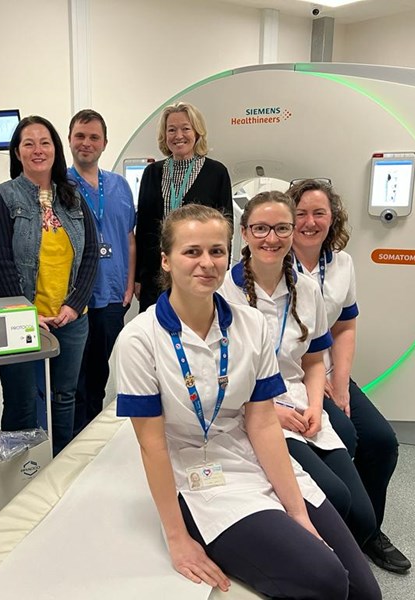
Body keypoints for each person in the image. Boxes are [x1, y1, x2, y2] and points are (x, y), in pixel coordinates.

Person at [116, 204, 381, 599]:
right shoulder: (140, 340)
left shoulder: (251, 325)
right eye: (192, 252)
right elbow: (152, 443)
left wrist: (297, 512)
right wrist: (177, 538)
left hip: (253, 455)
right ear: (166, 260)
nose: (207, 263)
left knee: (365, 593)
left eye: (217, 251)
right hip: (195, 475)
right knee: (327, 580)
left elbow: (261, 423)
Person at [219, 191, 377, 548]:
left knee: (364, 517)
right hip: (251, 408)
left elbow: (313, 360)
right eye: (260, 228)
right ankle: (323, 564)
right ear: (244, 233)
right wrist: (272, 411)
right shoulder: (225, 292)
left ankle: (343, 555)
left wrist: (317, 408)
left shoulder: (306, 289)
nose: (271, 238)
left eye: (281, 228)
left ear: (292, 233)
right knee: (337, 497)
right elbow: (219, 374)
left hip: (301, 401)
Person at [289, 178, 411, 573]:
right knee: (346, 434)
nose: (310, 221)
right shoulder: (271, 263)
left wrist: (340, 382)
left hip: (331, 372)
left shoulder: (342, 263)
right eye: (300, 213)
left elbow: (345, 326)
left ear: (332, 217)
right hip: (294, 376)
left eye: (319, 213)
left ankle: (370, 531)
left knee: (382, 441)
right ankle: (340, 529)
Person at [0, 115, 99, 455]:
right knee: (22, 400)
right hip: (20, 318)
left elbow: (91, 253)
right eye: (28, 143)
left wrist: (74, 304)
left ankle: (58, 462)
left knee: (64, 396)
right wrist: (26, 311)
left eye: (44, 142)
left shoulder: (72, 197)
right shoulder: (2, 197)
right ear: (17, 152)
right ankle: (21, 472)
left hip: (69, 319)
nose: (37, 150)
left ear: (55, 149)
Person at [67, 109, 136, 434]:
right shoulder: (60, 186)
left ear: (105, 143)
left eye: (94, 137)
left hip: (111, 296)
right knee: (73, 377)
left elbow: (129, 239)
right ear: (69, 140)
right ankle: (69, 442)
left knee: (98, 374)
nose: (86, 143)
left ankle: (89, 437)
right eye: (80, 136)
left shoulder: (120, 185)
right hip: (75, 298)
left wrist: (128, 283)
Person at [134, 101, 233, 312]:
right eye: (171, 130)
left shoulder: (216, 172)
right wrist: (138, 277)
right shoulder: (152, 173)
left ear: (197, 132)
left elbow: (227, 229)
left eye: (185, 128)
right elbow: (142, 229)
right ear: (164, 135)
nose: (179, 135)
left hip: (198, 270)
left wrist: (221, 271)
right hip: (155, 273)